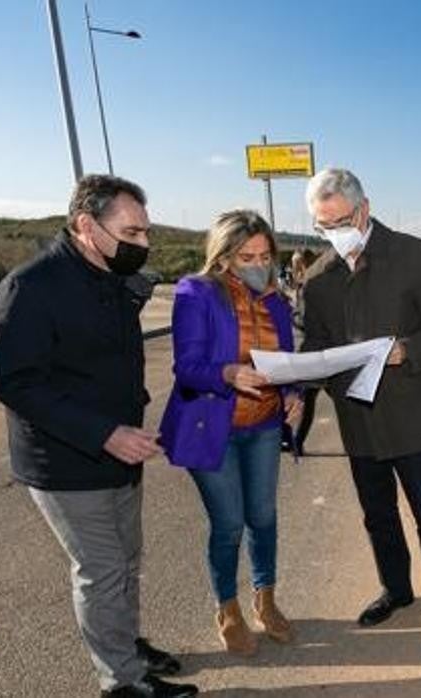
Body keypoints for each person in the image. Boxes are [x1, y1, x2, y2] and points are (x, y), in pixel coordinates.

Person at [0, 175, 197, 697]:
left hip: (122, 452)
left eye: (146, 232)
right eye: (132, 231)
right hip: (68, 462)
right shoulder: (30, 288)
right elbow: (16, 382)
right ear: (85, 225)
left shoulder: (110, 279)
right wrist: (104, 434)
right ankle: (121, 683)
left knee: (127, 562)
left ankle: (126, 647)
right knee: (100, 571)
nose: (142, 244)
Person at [299, 168, 421, 661]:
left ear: (364, 209)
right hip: (359, 421)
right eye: (321, 226)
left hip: (413, 417)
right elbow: (316, 343)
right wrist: (311, 371)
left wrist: (407, 350)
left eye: (340, 221)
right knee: (378, 516)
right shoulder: (318, 278)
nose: (333, 233)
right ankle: (397, 589)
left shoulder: (415, 256)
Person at [159, 210, 303, 657]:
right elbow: (187, 367)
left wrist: (294, 392)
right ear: (223, 256)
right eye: (247, 256)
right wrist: (227, 373)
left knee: (263, 516)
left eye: (265, 255)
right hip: (213, 428)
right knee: (228, 524)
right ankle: (228, 609)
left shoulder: (277, 300)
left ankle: (266, 598)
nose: (258, 263)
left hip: (262, 426)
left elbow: (287, 359)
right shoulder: (196, 293)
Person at [284, 249, 321, 456]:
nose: (293, 268)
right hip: (316, 351)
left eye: (296, 263)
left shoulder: (309, 285)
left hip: (315, 352)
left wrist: (292, 315)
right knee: (306, 398)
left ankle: (295, 441)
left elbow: (306, 320)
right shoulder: (307, 283)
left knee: (304, 398)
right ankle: (295, 441)